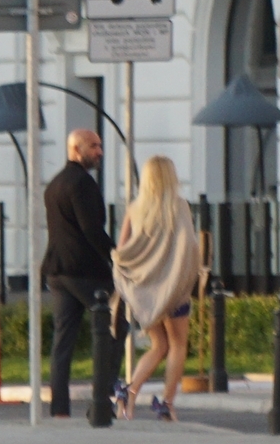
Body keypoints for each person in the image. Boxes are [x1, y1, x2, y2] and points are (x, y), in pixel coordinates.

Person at [112, 155, 203, 422]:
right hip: (173, 290)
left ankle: (129, 391)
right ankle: (167, 403)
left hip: (145, 293)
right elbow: (189, 247)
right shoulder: (180, 207)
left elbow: (122, 250)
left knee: (158, 344)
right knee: (177, 345)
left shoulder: (135, 208)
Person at [42, 127, 115, 417]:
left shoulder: (55, 183)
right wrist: (116, 255)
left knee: (63, 341)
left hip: (57, 271)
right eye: (93, 146)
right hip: (85, 271)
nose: (99, 152)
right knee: (113, 329)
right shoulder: (82, 183)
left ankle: (59, 408)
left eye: (99, 146)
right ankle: (102, 400)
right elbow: (91, 229)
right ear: (76, 150)